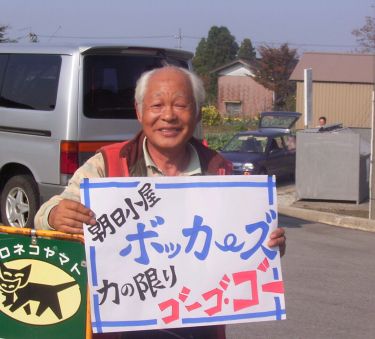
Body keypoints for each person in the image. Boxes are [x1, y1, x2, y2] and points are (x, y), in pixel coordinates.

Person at [35, 66, 286, 338]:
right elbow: (45, 216)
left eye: (180, 105)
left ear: (198, 111)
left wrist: (268, 246)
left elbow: (243, 244)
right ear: (139, 111)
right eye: (157, 105)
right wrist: (54, 215)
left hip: (198, 325)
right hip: (121, 326)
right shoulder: (106, 165)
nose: (168, 116)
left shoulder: (219, 170)